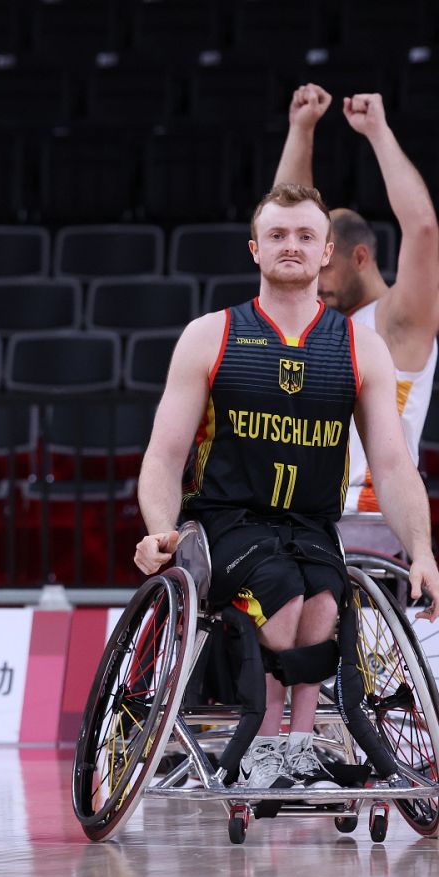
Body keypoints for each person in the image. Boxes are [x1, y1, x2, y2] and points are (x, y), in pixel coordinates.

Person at [133, 184, 439, 794]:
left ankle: (299, 748)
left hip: (310, 523)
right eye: (277, 235)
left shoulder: (360, 346)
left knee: (326, 595)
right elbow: (164, 456)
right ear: (255, 249)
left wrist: (424, 552)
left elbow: (394, 465)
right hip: (226, 519)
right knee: (283, 591)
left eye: (305, 236)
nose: (291, 246)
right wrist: (159, 529)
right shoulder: (210, 335)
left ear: (328, 252)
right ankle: (266, 744)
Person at [273, 86, 439, 519]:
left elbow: (422, 230)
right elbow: (287, 218)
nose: (311, 275)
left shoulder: (397, 322)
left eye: (325, 265)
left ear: (360, 257)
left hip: (367, 517)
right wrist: (301, 128)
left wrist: (378, 131)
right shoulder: (318, 317)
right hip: (308, 517)